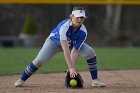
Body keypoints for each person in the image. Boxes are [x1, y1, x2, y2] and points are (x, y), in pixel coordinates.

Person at [14, 6, 106, 87]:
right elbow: (66, 50)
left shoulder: (83, 31)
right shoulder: (64, 27)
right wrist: (71, 68)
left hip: (71, 46)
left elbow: (74, 51)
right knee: (39, 61)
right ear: (71, 16)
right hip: (54, 43)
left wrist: (70, 69)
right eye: (78, 17)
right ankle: (21, 80)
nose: (80, 20)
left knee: (90, 52)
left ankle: (95, 80)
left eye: (82, 18)